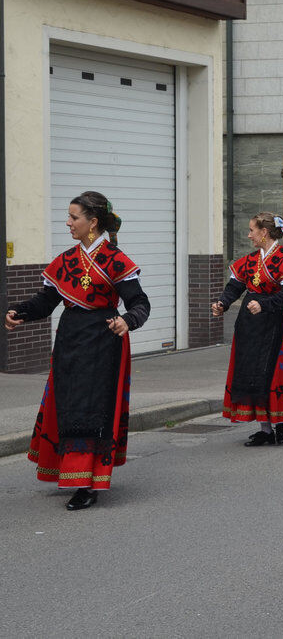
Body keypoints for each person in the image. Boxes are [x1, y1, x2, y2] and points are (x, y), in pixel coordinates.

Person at [4, 192, 150, 510]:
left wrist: (127, 321)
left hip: (103, 342)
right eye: (68, 217)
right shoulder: (67, 261)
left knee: (89, 410)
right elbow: (45, 302)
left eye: (74, 217)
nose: (68, 223)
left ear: (92, 222)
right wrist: (20, 312)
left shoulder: (116, 260)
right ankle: (70, 472)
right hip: (69, 341)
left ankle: (87, 482)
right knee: (68, 406)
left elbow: (140, 303)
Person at [212, 213, 283, 446]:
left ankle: (281, 422)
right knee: (251, 372)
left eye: (252, 230)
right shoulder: (251, 260)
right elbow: (235, 286)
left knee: (272, 373)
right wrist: (222, 303)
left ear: (264, 232)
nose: (249, 234)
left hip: (273, 322)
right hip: (249, 323)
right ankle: (264, 428)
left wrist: (263, 304)